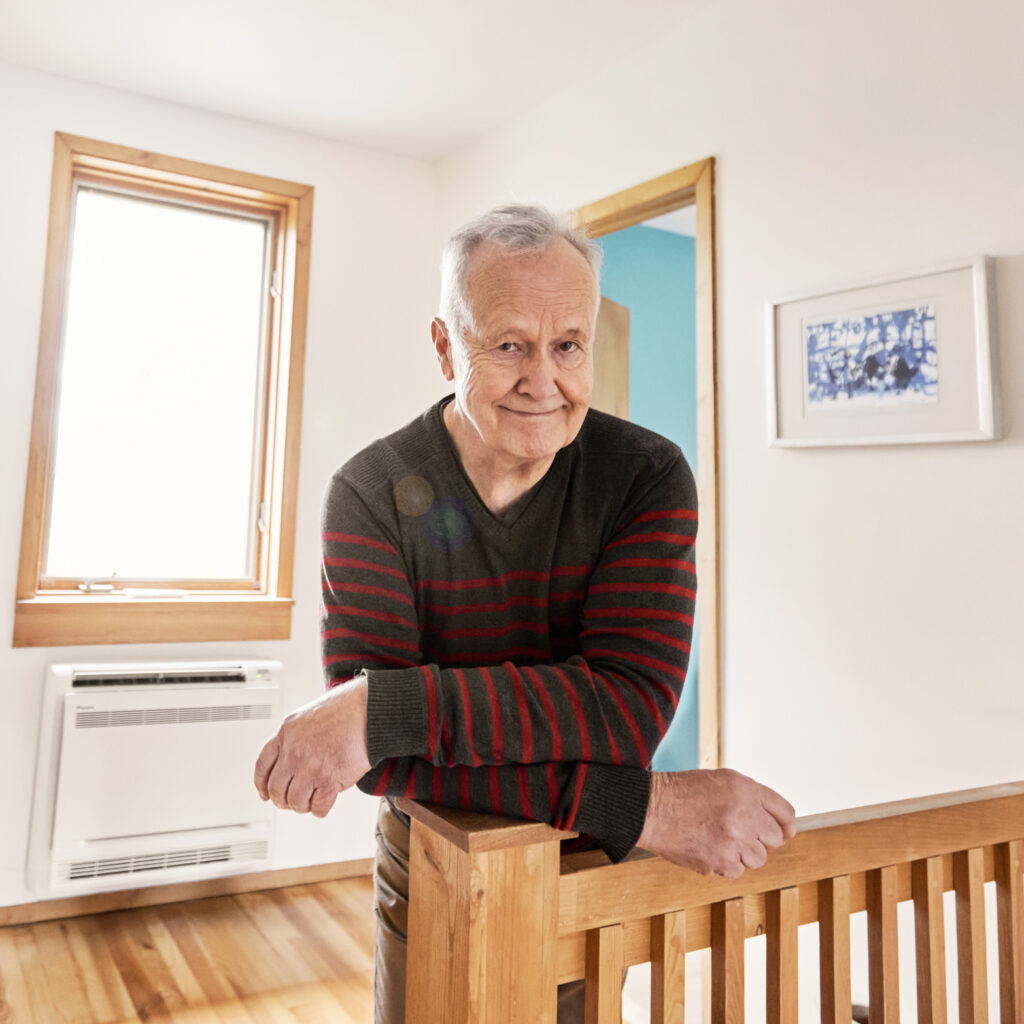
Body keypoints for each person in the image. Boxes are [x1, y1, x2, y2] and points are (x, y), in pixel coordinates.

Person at [254, 204, 796, 1022]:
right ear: (445, 347)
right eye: (508, 345)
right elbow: (378, 764)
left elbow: (622, 715)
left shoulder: (644, 476)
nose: (543, 380)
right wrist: (638, 806)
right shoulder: (369, 491)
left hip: (583, 871)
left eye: (567, 345)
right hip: (436, 854)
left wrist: (384, 706)